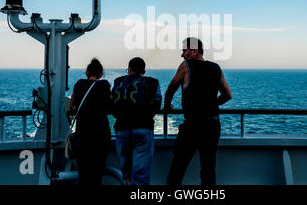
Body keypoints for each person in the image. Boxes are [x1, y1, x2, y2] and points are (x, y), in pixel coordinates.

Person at [164, 37, 232, 186]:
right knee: (208, 170)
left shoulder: (186, 65)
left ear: (194, 51)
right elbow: (228, 95)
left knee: (177, 169)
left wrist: (167, 105)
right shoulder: (216, 67)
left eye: (184, 51)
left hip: (193, 126)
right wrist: (211, 105)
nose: (182, 55)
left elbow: (171, 87)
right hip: (213, 126)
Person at [111, 57, 162, 185]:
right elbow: (157, 104)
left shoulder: (118, 82)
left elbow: (112, 106)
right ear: (143, 71)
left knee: (126, 175)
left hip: (121, 129)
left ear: (129, 70)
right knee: (140, 176)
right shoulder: (153, 82)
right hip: (143, 129)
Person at [69, 58, 112, 185]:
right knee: (97, 174)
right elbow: (109, 107)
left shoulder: (79, 84)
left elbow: (72, 106)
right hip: (101, 136)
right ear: (101, 74)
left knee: (83, 174)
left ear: (87, 72)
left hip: (82, 136)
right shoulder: (104, 85)